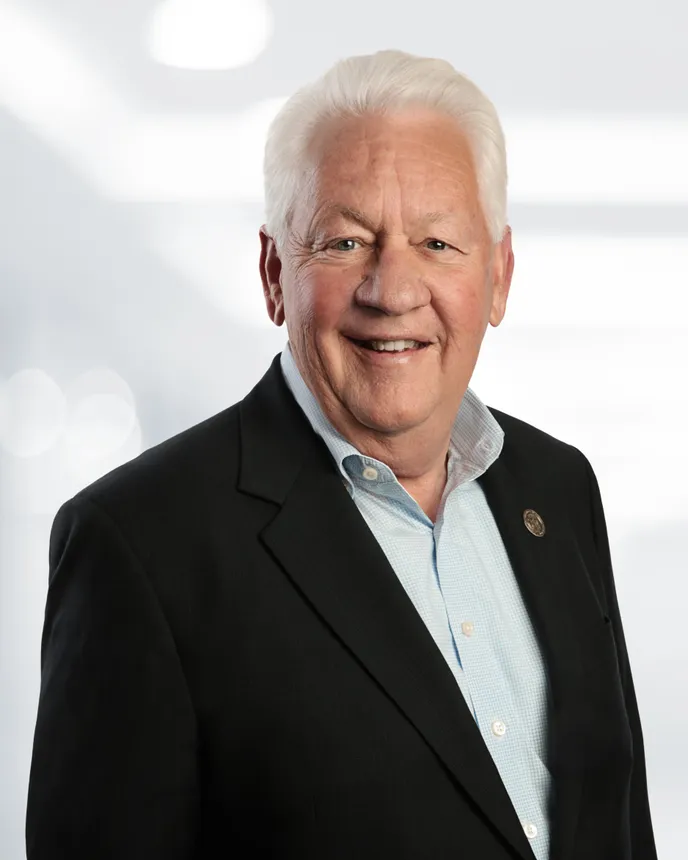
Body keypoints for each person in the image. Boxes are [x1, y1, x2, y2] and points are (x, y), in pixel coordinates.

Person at [25, 50, 657, 860]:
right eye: (346, 242)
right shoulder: (141, 546)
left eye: (437, 241)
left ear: (498, 277)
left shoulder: (557, 490)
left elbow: (618, 822)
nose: (392, 290)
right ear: (273, 273)